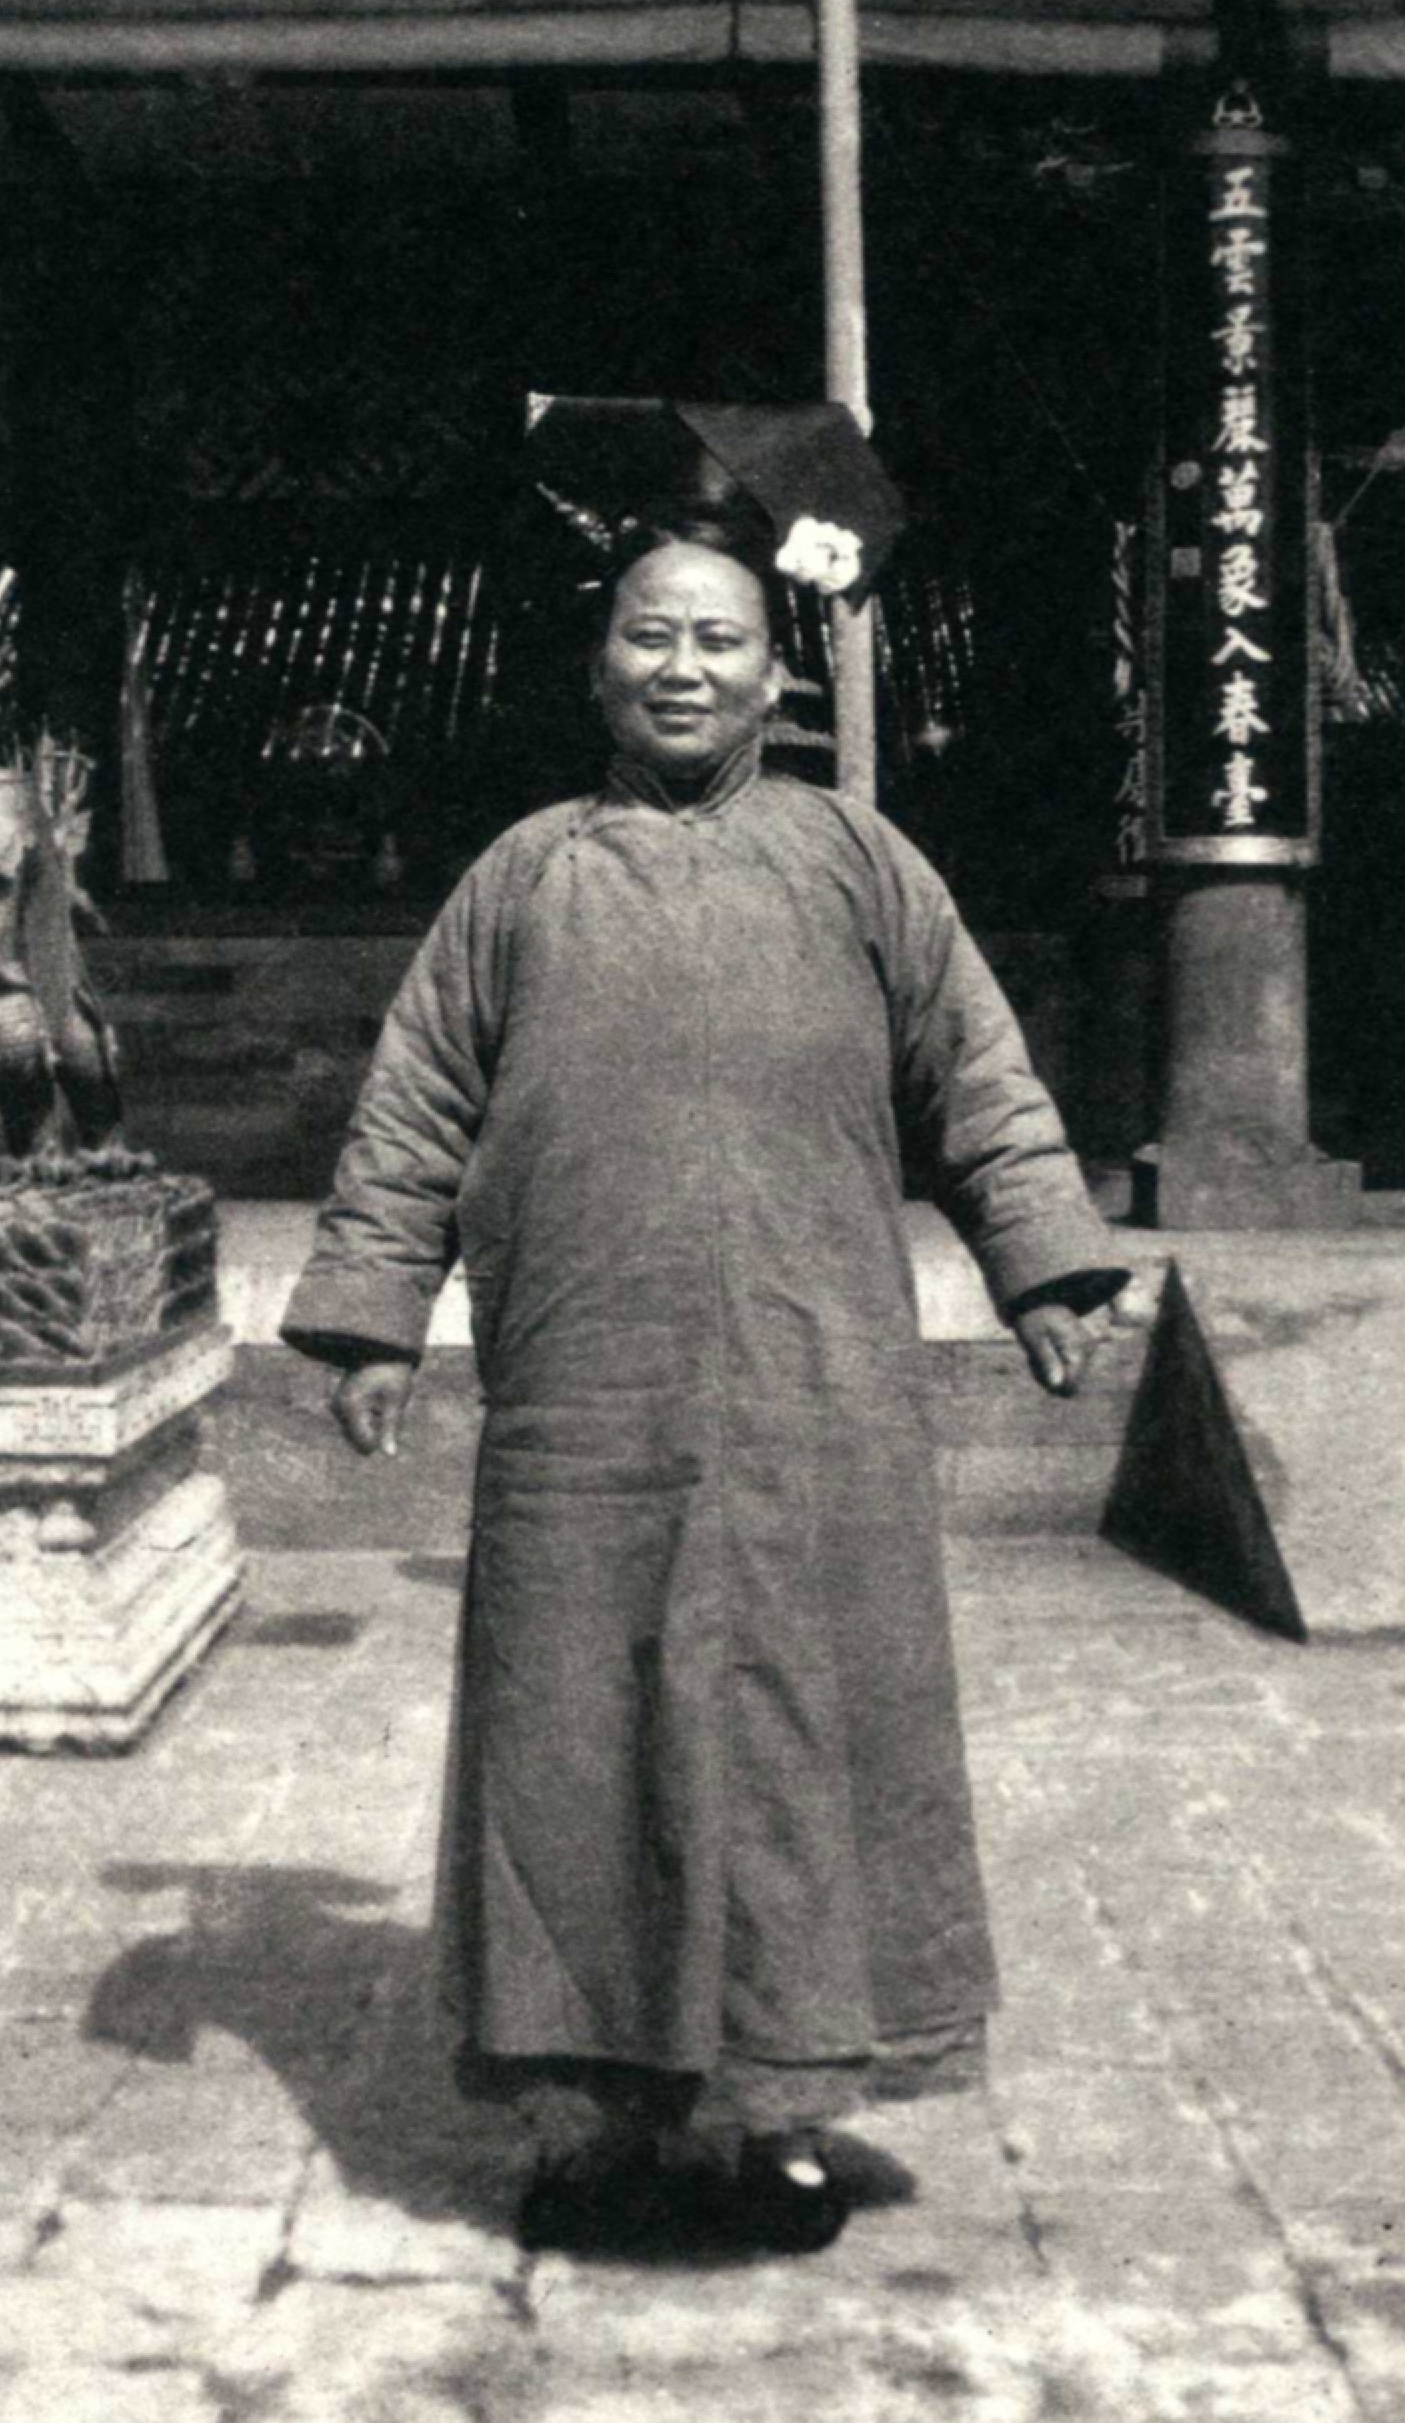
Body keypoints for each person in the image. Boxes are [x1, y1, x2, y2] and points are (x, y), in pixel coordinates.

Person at [282, 479, 1130, 2253]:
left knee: (805, 1725)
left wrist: (1043, 1266)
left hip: (817, 1382)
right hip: (582, 1390)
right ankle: (587, 2115)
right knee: (569, 1733)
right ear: (599, 666)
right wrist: (372, 1315)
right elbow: (417, 1107)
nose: (682, 665)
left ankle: (782, 2108)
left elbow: (978, 1077)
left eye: (719, 638)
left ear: (774, 676)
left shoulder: (860, 863)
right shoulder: (523, 877)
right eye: (650, 633)